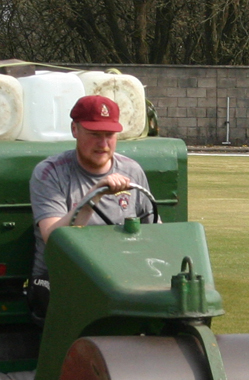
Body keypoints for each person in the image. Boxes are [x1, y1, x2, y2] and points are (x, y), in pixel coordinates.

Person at [27, 95, 155, 325]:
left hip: (119, 274)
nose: (103, 144)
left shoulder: (132, 170)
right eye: (94, 134)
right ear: (75, 129)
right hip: (60, 277)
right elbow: (54, 239)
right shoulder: (50, 173)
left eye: (110, 135)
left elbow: (155, 231)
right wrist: (94, 196)